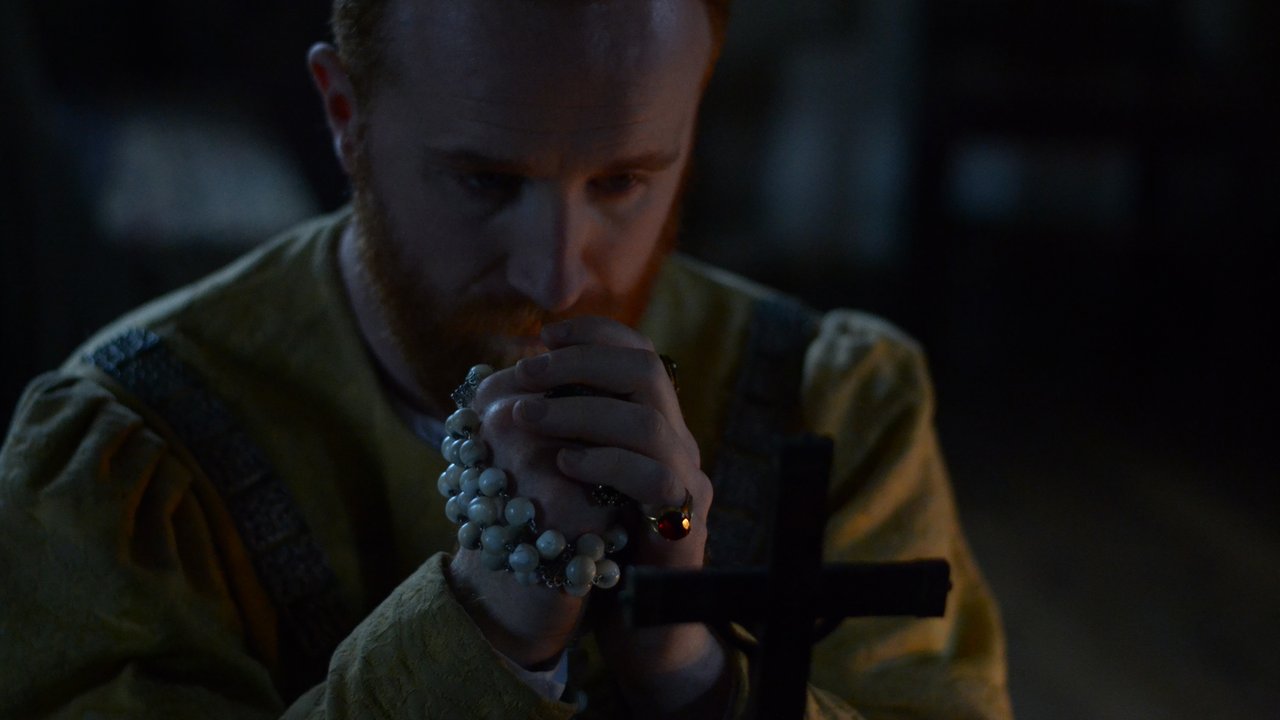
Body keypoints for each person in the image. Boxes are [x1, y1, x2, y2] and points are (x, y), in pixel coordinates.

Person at [0, 0, 1012, 717]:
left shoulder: (834, 402)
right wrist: (484, 630)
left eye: (623, 180)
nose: (554, 275)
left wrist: (688, 664)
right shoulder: (133, 452)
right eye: (485, 181)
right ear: (346, 116)